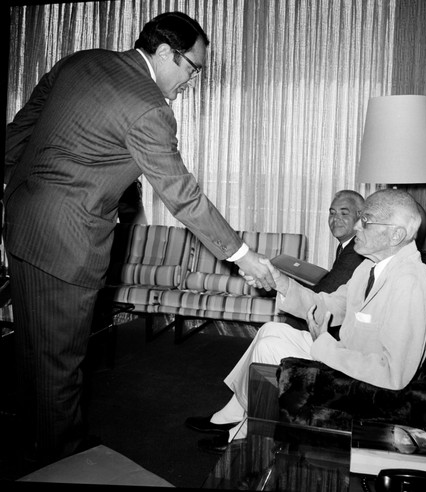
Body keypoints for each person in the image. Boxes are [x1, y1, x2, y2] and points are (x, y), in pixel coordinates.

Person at [3, 11, 276, 469]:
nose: (192, 80)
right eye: (193, 67)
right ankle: (59, 463)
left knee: (32, 351)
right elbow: (183, 196)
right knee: (60, 367)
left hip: (23, 225)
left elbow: (20, 129)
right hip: (67, 244)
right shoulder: (149, 107)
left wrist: (15, 186)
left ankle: (37, 440)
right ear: (167, 52)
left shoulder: (81, 61)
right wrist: (241, 256)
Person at [185, 189, 426, 454]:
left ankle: (247, 431)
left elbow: (392, 374)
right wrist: (279, 282)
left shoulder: (411, 285)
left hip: (361, 385)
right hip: (344, 355)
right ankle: (243, 419)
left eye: (365, 220)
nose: (356, 226)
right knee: (272, 330)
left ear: (396, 235)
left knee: (269, 349)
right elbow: (329, 305)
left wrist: (323, 344)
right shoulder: (370, 268)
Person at [284, 189, 365, 331]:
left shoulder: (355, 252)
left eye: (344, 213)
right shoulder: (347, 245)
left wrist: (285, 285)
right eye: (332, 213)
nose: (336, 219)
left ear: (360, 217)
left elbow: (326, 293)